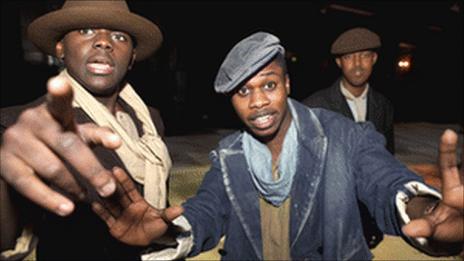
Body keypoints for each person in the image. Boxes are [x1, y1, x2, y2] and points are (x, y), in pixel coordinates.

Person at [91, 32, 463, 260]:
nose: (257, 103)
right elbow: (207, 210)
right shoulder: (230, 155)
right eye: (243, 91)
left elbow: (385, 182)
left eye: (268, 85)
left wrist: (425, 208)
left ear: (287, 84)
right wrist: (166, 233)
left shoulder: (347, 136)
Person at [0, 0, 172, 259]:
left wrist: (160, 232)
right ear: (60, 48)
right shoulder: (22, 126)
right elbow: (5, 239)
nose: (104, 42)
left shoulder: (149, 120)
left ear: (132, 57)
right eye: (86, 31)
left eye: (119, 36)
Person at [303, 27, 395, 154]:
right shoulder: (314, 107)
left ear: (374, 59)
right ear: (339, 62)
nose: (357, 64)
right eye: (348, 57)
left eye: (365, 55)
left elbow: (388, 156)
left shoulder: (384, 106)